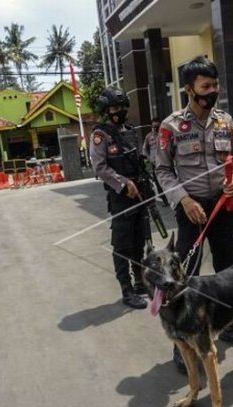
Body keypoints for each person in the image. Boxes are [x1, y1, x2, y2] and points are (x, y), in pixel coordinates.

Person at [156, 56, 233, 374]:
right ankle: (182, 342)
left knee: (230, 270)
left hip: (222, 207)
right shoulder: (171, 126)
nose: (213, 91)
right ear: (189, 90)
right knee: (184, 277)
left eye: (215, 85)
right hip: (192, 210)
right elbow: (162, 169)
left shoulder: (224, 122)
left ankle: (228, 326)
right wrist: (183, 200)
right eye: (206, 86)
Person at [89, 86, 148, 310]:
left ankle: (140, 281)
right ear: (106, 109)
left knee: (139, 241)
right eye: (115, 107)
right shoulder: (100, 135)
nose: (120, 111)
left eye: (123, 107)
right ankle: (127, 289)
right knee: (122, 245)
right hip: (120, 196)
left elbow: (139, 158)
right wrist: (123, 183)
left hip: (140, 192)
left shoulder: (130, 130)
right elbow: (100, 167)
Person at [141, 117, 168, 206]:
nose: (155, 128)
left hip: (166, 162)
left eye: (157, 126)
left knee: (169, 180)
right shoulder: (149, 137)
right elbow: (145, 149)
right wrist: (149, 158)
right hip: (155, 163)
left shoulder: (165, 134)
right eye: (154, 126)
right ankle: (165, 200)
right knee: (159, 183)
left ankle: (172, 198)